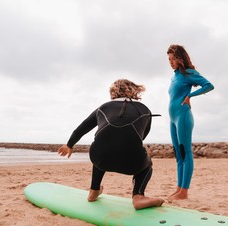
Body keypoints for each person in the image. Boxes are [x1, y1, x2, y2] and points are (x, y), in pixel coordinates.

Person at [58, 79, 164, 210]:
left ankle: (94, 191)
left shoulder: (103, 107)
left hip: (101, 159)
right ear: (134, 90)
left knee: (101, 146)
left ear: (112, 92)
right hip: (132, 164)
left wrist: (69, 145)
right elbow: (142, 136)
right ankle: (138, 196)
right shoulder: (145, 110)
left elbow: (81, 129)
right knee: (148, 163)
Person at [166, 44, 214, 200]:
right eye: (169, 59)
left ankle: (184, 191)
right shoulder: (175, 76)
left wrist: (190, 96)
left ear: (180, 58)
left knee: (186, 153)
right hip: (173, 119)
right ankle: (179, 189)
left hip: (183, 116)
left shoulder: (188, 73)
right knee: (178, 155)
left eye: (173, 59)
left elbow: (209, 85)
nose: (171, 62)